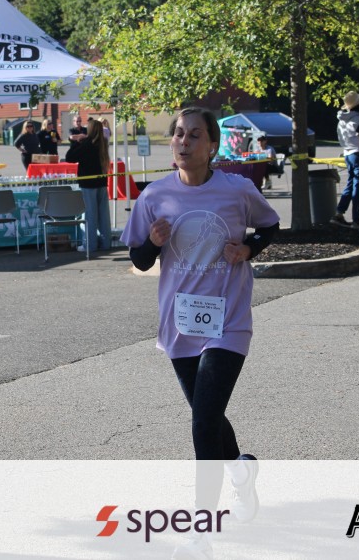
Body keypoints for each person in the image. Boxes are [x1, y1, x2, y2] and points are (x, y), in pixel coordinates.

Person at [122, 107, 280, 556]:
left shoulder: (237, 190)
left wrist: (247, 248)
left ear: (212, 145)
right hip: (181, 325)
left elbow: (270, 225)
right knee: (207, 417)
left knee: (203, 420)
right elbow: (138, 260)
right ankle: (241, 470)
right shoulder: (155, 196)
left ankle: (200, 532)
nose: (184, 142)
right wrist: (152, 243)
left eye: (194, 135)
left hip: (227, 321)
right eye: (178, 134)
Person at [64, 119, 112, 252]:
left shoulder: (87, 143)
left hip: (88, 183)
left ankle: (90, 245)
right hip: (101, 182)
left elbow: (70, 157)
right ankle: (105, 243)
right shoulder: (103, 142)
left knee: (90, 215)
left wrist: (75, 142)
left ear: (90, 130)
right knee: (103, 215)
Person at [333, 91, 359, 228]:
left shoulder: (341, 120)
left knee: (351, 183)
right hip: (358, 153)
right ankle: (357, 218)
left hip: (347, 153)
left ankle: (339, 212)